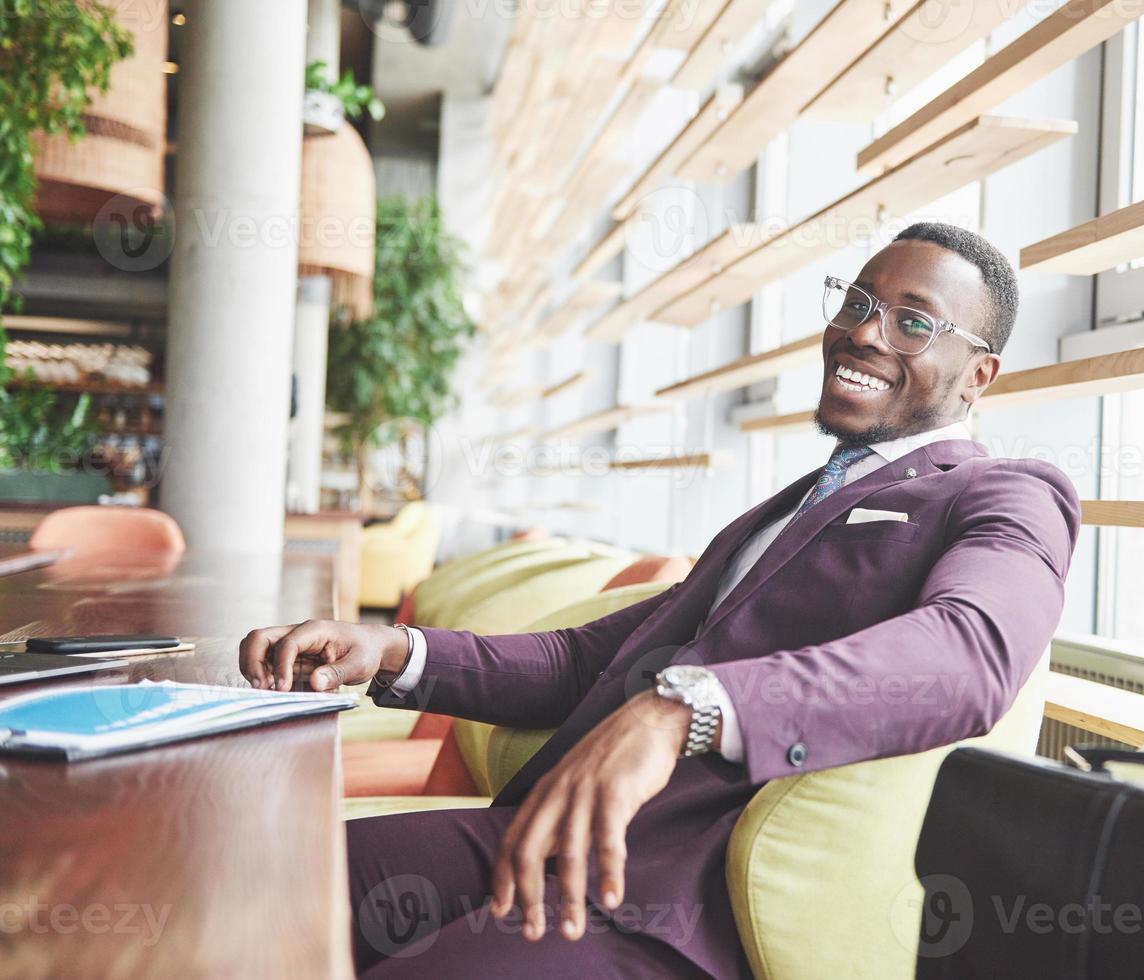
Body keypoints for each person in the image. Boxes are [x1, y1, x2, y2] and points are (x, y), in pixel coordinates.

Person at [239, 222, 1081, 977]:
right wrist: (393, 649)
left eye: (912, 320)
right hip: (537, 832)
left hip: (666, 902)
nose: (864, 332)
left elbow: (968, 654)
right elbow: (590, 658)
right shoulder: (793, 503)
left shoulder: (1006, 492)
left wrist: (688, 710)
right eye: (857, 301)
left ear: (978, 375)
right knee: (247, 881)